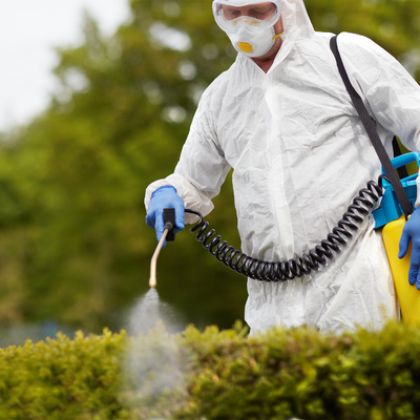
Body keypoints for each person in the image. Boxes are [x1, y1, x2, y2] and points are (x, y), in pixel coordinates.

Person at [145, 0, 420, 334]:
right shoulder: (221, 97)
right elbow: (192, 182)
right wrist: (167, 193)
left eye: (257, 11)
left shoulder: (343, 57)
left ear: (285, 8)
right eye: (232, 13)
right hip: (269, 309)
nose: (244, 23)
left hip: (360, 288)